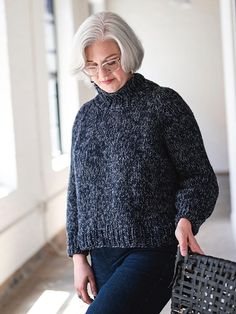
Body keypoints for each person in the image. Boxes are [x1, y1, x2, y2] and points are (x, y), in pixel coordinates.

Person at [66, 11, 219, 314]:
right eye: (92, 65)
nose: (103, 73)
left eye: (111, 61)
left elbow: (198, 177)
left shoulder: (163, 104)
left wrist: (188, 217)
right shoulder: (85, 118)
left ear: (129, 52)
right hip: (102, 257)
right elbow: (76, 194)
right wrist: (78, 257)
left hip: (153, 251)